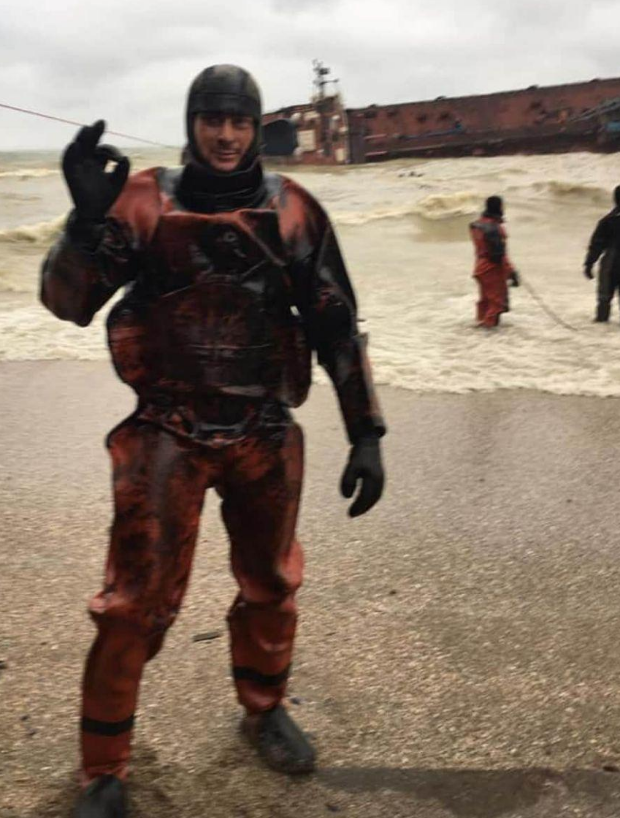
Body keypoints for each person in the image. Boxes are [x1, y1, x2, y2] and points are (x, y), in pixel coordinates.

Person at [40, 65, 386, 818]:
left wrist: (366, 431)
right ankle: (103, 768)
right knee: (133, 602)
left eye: (239, 120)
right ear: (191, 122)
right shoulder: (143, 201)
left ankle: (265, 708)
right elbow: (68, 303)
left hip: (264, 428)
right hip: (167, 429)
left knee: (271, 581)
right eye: (211, 119)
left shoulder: (293, 209)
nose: (225, 135)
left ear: (255, 127)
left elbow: (335, 322)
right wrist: (83, 225)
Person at [469, 195, 519, 328]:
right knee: (496, 304)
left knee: (485, 300)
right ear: (498, 208)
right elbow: (499, 255)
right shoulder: (495, 228)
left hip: (480, 266)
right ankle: (490, 333)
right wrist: (511, 272)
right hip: (493, 269)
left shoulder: (477, 225)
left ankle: (480, 325)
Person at [583, 185, 620, 322]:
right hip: (611, 264)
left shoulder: (607, 221)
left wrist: (588, 264)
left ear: (615, 200)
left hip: (610, 266)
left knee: (604, 302)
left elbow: (596, 246)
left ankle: (601, 331)